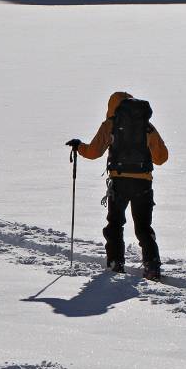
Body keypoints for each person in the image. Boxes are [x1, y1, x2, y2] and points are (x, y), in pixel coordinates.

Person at [66, 91, 169, 280]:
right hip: (143, 184)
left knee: (115, 225)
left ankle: (116, 263)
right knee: (144, 227)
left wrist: (79, 146)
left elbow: (94, 152)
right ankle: (152, 266)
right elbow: (161, 158)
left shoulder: (110, 125)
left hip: (119, 184)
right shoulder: (146, 126)